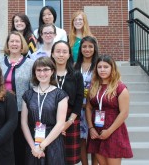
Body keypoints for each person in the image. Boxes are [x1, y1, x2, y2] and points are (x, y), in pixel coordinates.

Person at [0, 31, 34, 165]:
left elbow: (33, 89)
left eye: (17, 41)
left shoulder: (30, 64)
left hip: (21, 112)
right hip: (1, 111)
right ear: (7, 44)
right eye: (11, 41)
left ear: (22, 44)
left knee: (19, 146)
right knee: (3, 145)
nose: (14, 44)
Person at [86, 55, 133, 164]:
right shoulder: (93, 86)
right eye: (99, 67)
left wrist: (109, 131)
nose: (102, 70)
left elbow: (124, 113)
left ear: (112, 68)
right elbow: (88, 107)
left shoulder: (120, 88)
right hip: (97, 131)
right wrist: (91, 128)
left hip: (113, 131)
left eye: (106, 67)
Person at [21, 57, 68, 164]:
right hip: (32, 142)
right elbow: (24, 123)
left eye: (46, 69)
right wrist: (34, 147)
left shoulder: (60, 94)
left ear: (52, 71)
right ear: (34, 73)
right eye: (38, 70)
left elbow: (60, 124)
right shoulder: (27, 95)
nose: (42, 73)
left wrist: (41, 146)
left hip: (53, 141)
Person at [51, 40, 84, 164]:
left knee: (69, 159)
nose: (61, 55)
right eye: (58, 51)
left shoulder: (76, 75)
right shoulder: (46, 74)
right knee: (51, 157)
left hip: (70, 119)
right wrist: (56, 124)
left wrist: (68, 122)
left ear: (69, 55)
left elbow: (79, 100)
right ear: (52, 54)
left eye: (64, 52)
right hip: (49, 119)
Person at [74, 36, 99, 165]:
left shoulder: (98, 65)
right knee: (81, 140)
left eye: (90, 46)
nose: (87, 49)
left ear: (94, 49)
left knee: (94, 140)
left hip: (94, 109)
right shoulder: (75, 66)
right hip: (79, 110)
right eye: (84, 47)